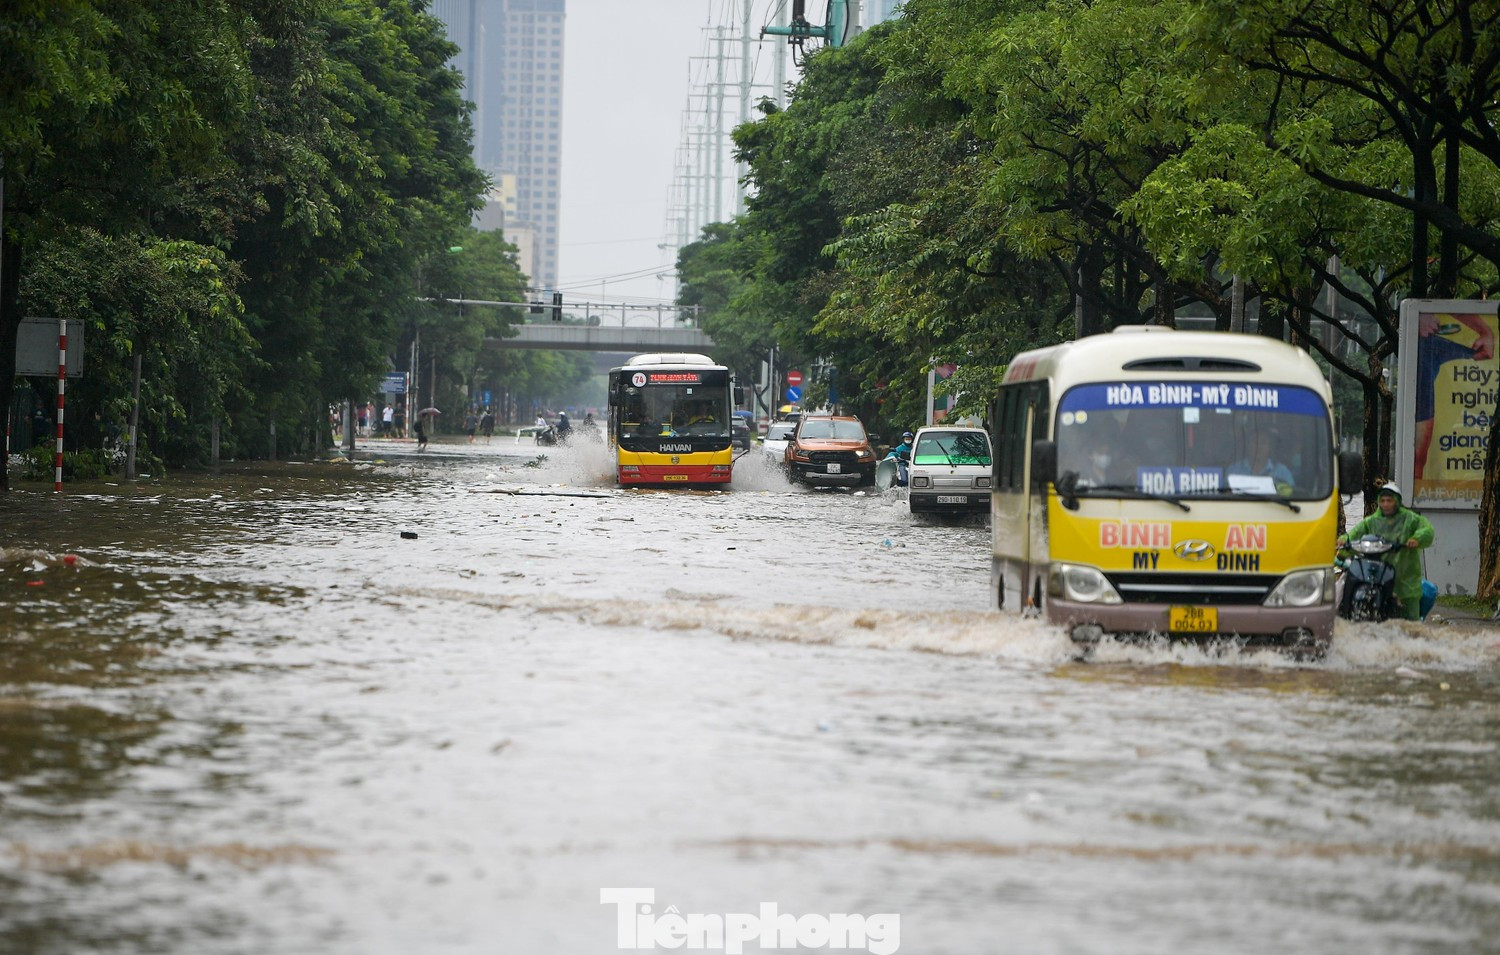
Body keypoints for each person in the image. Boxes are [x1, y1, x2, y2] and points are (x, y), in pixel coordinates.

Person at [1338, 482, 1436, 621]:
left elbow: (1427, 530)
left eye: (1389, 500)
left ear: (1397, 501)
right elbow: (1355, 533)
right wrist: (1344, 540)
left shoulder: (1410, 518)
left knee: (1411, 620)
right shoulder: (1372, 521)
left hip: (1405, 577)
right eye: (1382, 501)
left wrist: (1416, 539)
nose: (1386, 504)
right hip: (1378, 572)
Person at [1229, 430, 1295, 493]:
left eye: (1263, 443)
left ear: (1270, 447)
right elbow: (1227, 493)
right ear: (1248, 445)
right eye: (1255, 442)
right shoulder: (1234, 470)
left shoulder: (1282, 472)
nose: (1259, 446)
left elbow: (1291, 494)